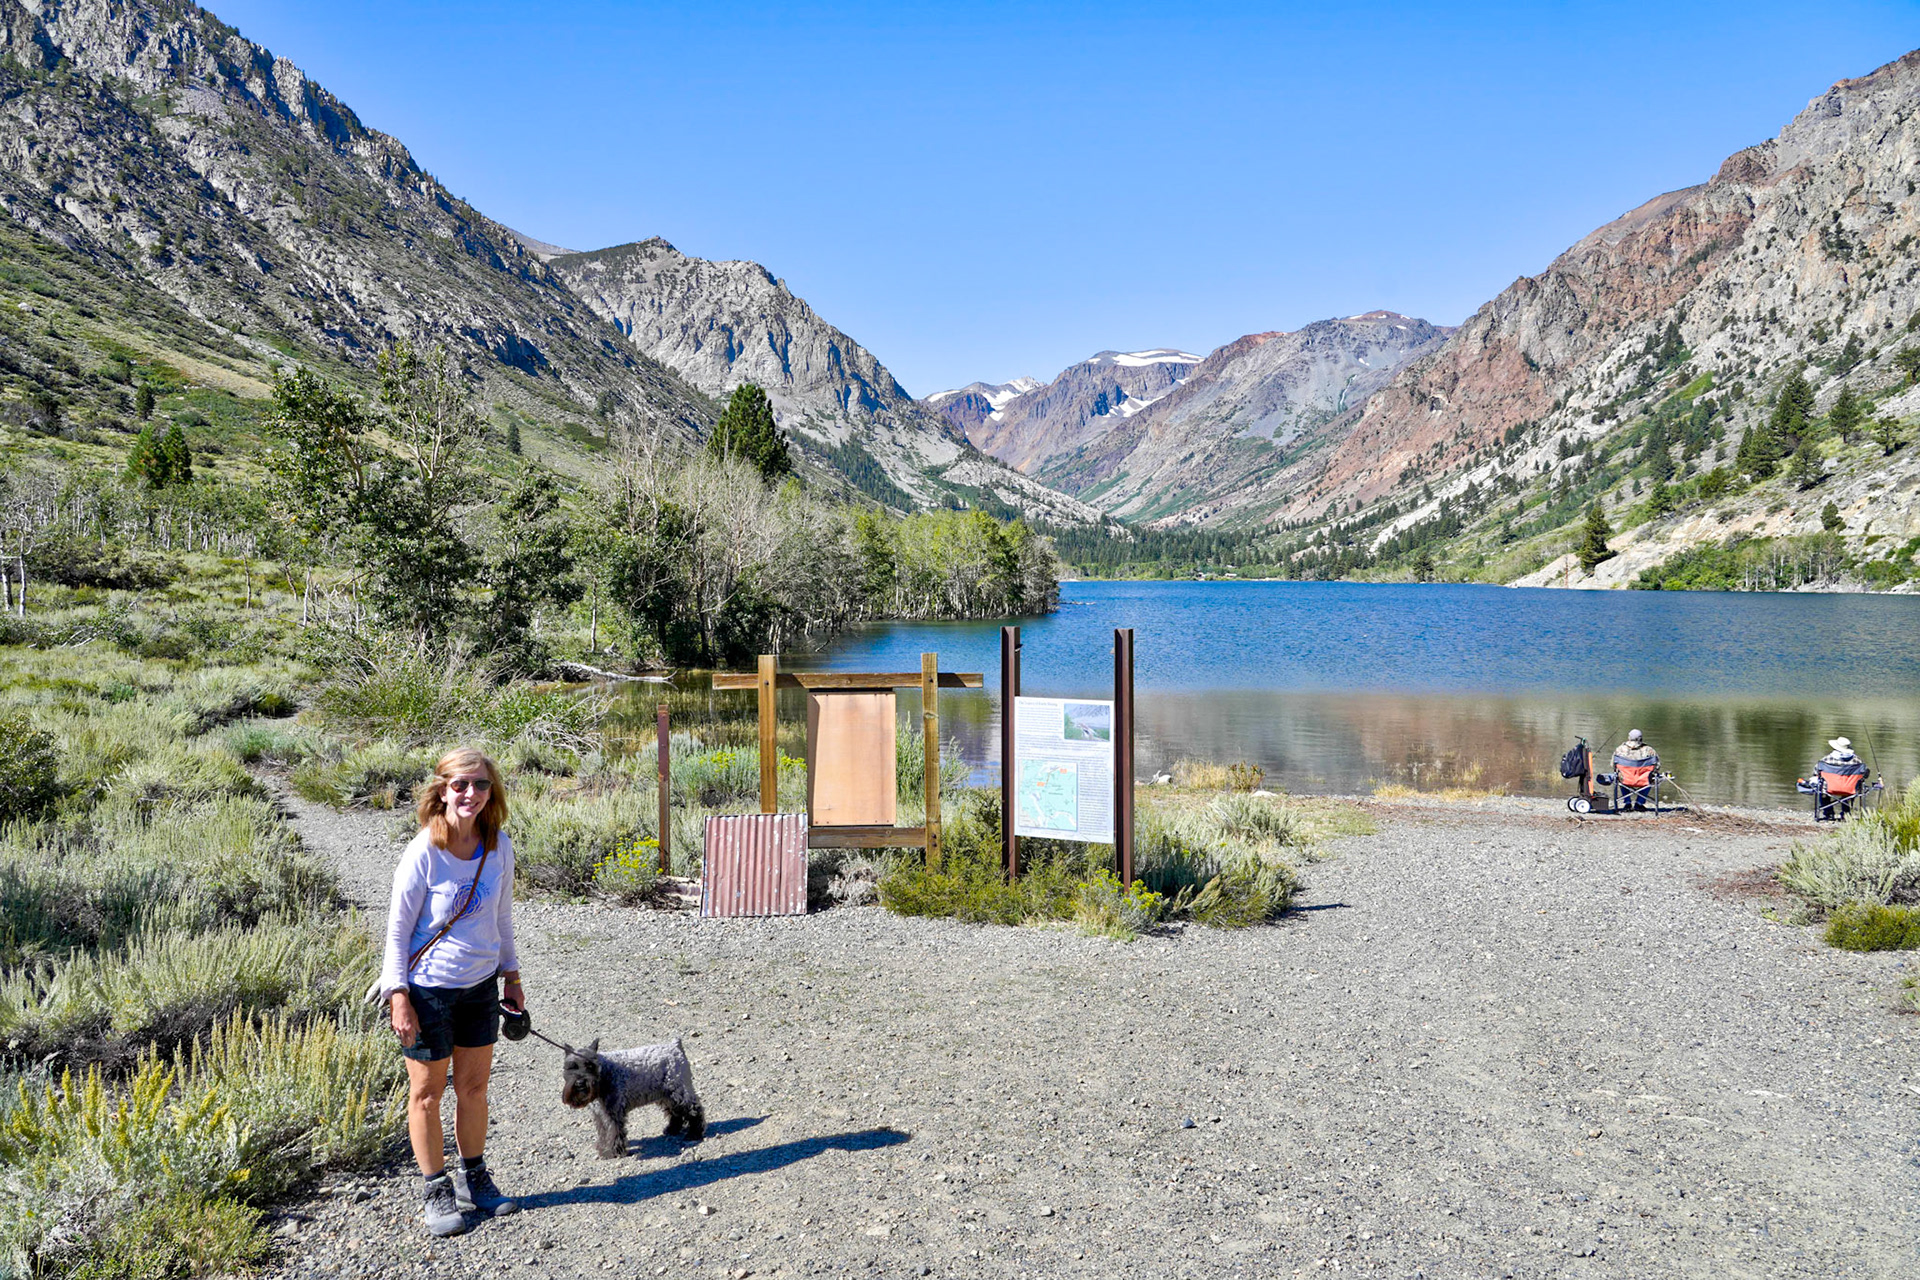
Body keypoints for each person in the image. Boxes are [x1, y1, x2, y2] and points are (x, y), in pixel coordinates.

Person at [379, 747, 525, 1237]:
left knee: (474, 1089)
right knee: (425, 1093)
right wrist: (398, 995)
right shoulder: (424, 850)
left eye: (480, 785)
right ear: (441, 789)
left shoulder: (498, 845)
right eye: (460, 784)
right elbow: (397, 933)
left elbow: (501, 918)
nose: (470, 794)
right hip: (428, 992)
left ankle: (475, 1177)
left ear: (491, 791)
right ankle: (435, 1186)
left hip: (480, 987)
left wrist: (513, 976)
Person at [1612, 729, 1659, 811]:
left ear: (1629, 738)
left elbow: (1613, 765)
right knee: (1651, 776)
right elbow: (1657, 766)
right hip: (1644, 780)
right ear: (1641, 738)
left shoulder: (1619, 749)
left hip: (1625, 780)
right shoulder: (1649, 750)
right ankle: (1639, 803)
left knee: (1620, 775)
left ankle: (1627, 802)